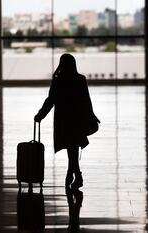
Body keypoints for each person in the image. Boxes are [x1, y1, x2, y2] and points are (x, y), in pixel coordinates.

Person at [34, 53, 99, 189]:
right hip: (77, 119)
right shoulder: (80, 79)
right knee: (73, 147)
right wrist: (91, 115)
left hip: (64, 120)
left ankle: (74, 174)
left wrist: (40, 115)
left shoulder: (58, 80)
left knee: (71, 147)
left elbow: (50, 100)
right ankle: (74, 174)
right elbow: (86, 101)